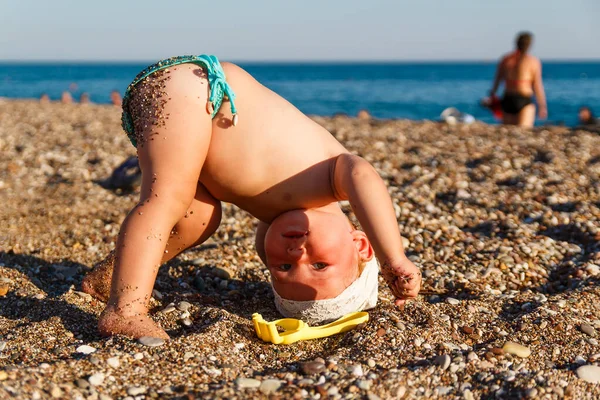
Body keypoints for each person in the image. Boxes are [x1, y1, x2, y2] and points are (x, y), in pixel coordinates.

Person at [81, 55, 421, 339]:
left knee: (199, 220)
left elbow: (267, 233)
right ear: (361, 245)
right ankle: (125, 308)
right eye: (319, 264)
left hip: (183, 117)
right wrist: (394, 260)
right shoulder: (329, 181)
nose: (296, 253)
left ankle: (112, 276)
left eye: (284, 268)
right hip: (198, 87)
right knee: (167, 198)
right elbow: (362, 174)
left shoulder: (275, 214)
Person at [489, 32, 547, 127]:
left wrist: (492, 96)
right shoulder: (532, 61)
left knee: (508, 131)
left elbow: (497, 80)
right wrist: (542, 105)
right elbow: (537, 85)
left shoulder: (506, 59)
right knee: (523, 132)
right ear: (529, 45)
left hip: (508, 98)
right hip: (523, 98)